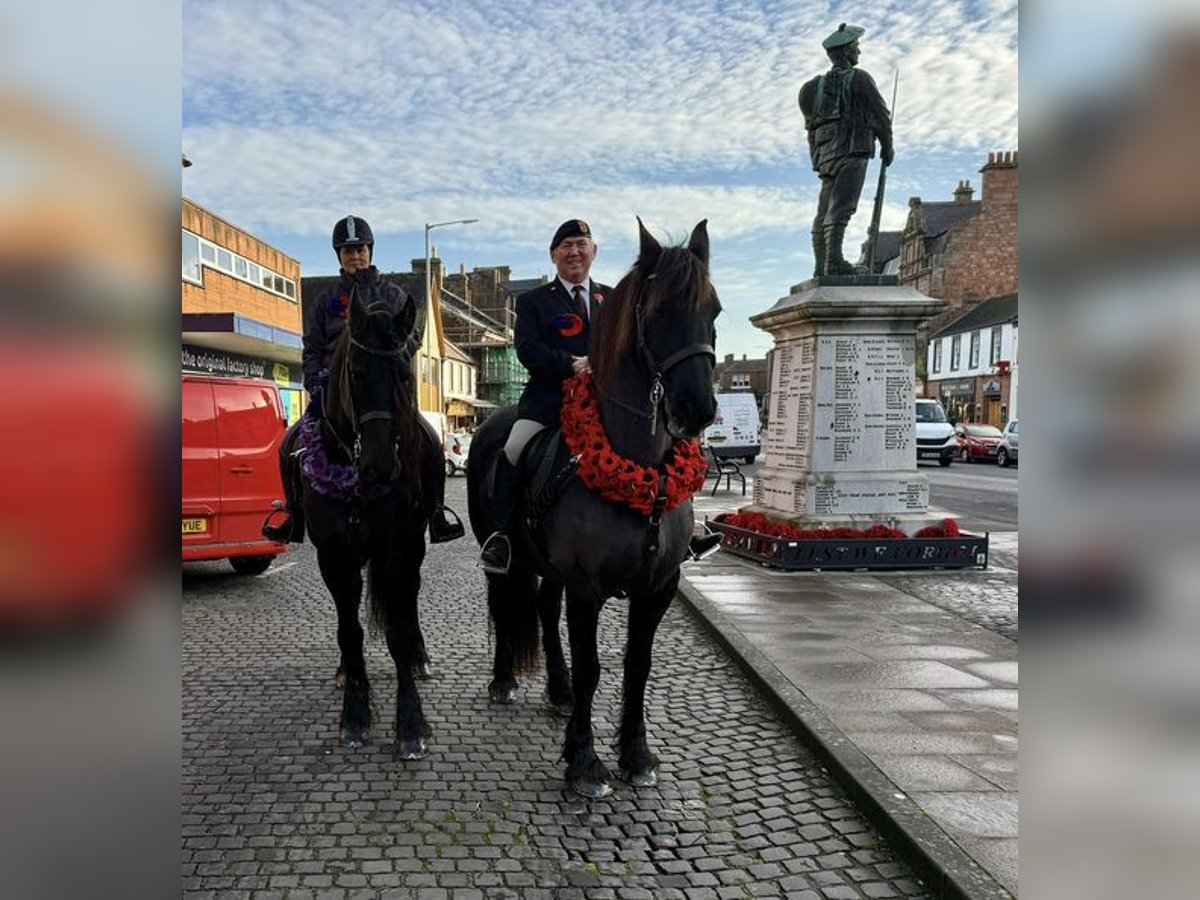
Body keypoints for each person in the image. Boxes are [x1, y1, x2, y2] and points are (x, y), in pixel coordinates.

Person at [477, 218, 721, 574]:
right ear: (553, 255)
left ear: (593, 252)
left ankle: (684, 533)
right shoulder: (533, 301)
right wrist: (571, 364)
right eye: (566, 246)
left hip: (610, 403)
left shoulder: (615, 297)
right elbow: (527, 349)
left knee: (674, 448)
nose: (574, 251)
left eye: (581, 244)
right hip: (549, 399)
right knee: (513, 447)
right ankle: (501, 536)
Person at [262, 214, 463, 545]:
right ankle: (293, 516)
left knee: (428, 440)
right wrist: (315, 381)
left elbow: (410, 337)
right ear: (338, 255)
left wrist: (390, 358)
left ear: (370, 251)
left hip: (383, 391)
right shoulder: (324, 300)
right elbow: (312, 347)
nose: (355, 255)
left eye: (360, 249)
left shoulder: (393, 294)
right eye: (347, 250)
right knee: (288, 446)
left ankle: (437, 512)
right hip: (334, 389)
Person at [798, 23, 894, 277]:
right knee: (842, 207)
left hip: (826, 154)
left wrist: (816, 160)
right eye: (856, 47)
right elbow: (881, 113)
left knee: (824, 209)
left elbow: (811, 128)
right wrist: (887, 144)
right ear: (845, 52)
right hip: (853, 148)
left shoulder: (811, 88)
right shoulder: (859, 78)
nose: (859, 52)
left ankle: (822, 264)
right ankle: (833, 262)